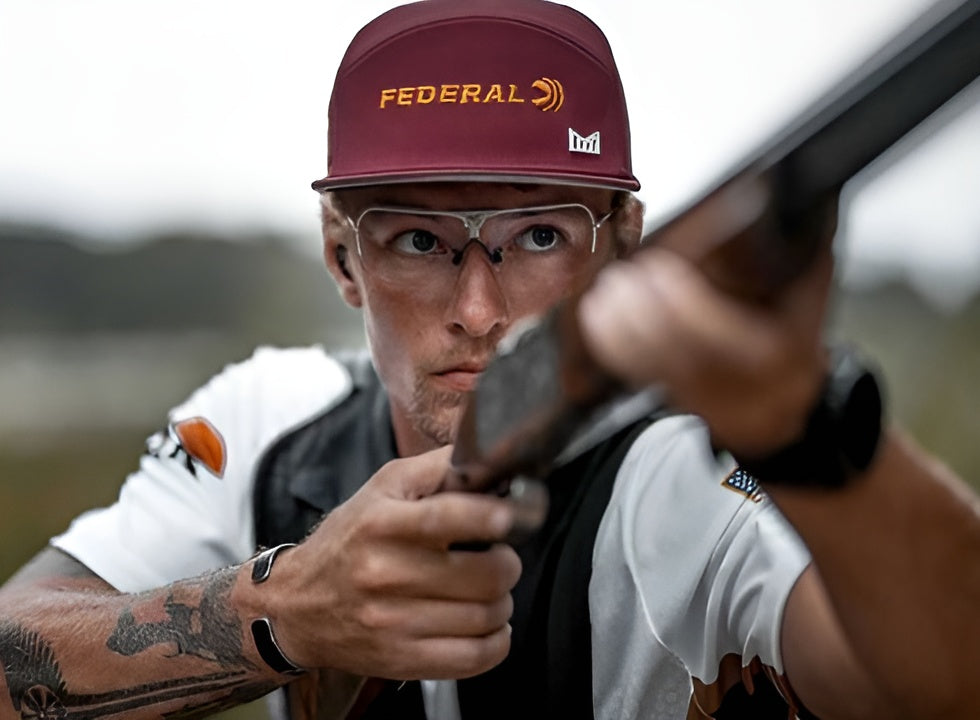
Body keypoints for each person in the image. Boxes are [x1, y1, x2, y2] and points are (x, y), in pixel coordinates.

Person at [1, 2, 977, 719]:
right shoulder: (264, 423)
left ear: (620, 244)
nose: (478, 312)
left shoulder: (681, 476)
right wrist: (284, 613)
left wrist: (799, 425)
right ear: (344, 257)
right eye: (419, 243)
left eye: (541, 237)